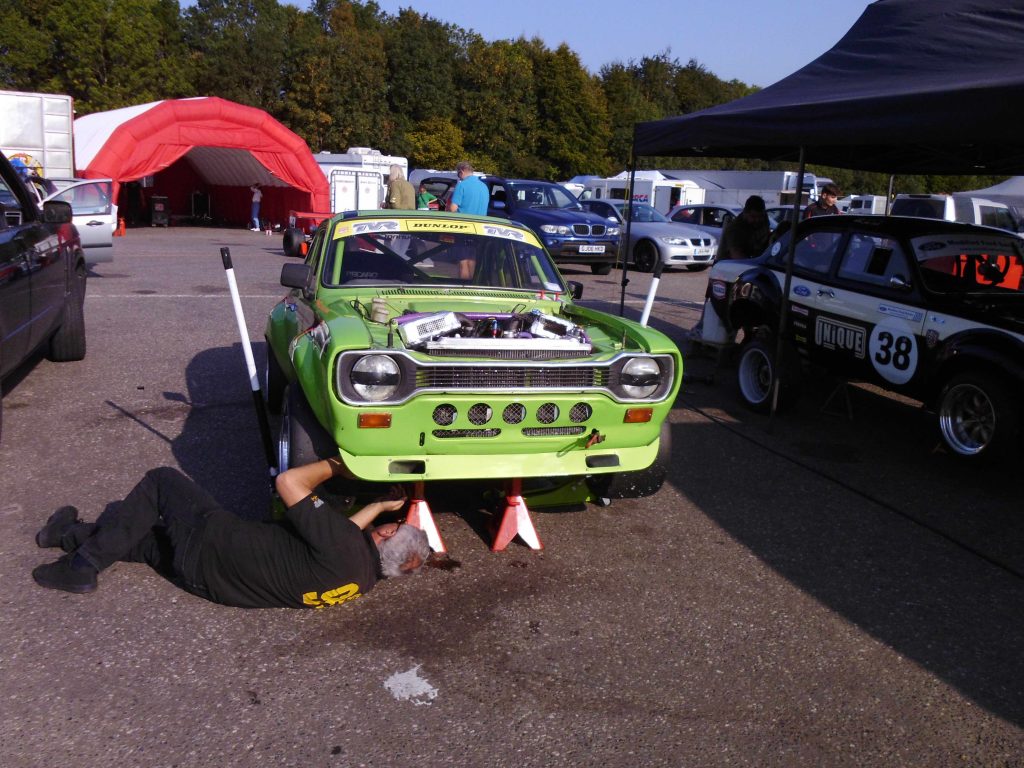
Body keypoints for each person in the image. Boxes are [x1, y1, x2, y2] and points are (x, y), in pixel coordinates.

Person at [30, 458, 431, 609]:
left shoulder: (340, 542)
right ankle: (66, 534)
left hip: (213, 541)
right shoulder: (361, 578)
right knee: (146, 540)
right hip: (213, 582)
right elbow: (344, 537)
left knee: (161, 482)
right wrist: (377, 506)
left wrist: (336, 464)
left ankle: (83, 565)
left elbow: (291, 482)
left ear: (388, 534)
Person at [716, 195, 771, 260]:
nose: (757, 220)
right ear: (745, 213)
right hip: (730, 266)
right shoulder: (735, 229)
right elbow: (737, 256)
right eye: (753, 217)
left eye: (760, 216)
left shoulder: (764, 220)